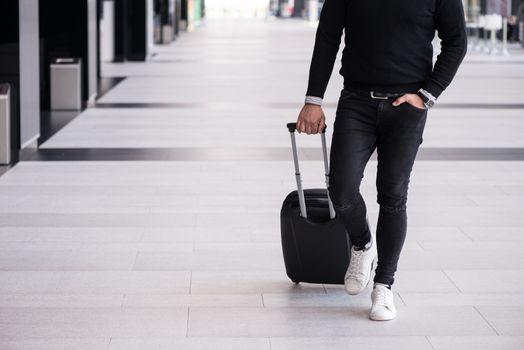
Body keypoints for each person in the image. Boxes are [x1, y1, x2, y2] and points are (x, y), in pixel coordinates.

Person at [296, 0, 467, 321]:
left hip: (408, 106)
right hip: (356, 101)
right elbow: (328, 36)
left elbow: (456, 40)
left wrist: (428, 94)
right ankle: (362, 245)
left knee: (392, 193)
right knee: (342, 189)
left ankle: (384, 285)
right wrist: (313, 100)